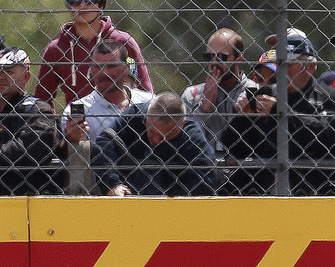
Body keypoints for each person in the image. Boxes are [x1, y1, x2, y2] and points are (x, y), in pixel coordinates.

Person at [222, 28, 335, 195]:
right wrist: (244, 117)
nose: (282, 70)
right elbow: (234, 147)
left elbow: (330, 138)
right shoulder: (266, 95)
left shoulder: (330, 97)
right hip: (263, 192)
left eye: (289, 64)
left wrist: (281, 113)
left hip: (313, 192)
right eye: (279, 63)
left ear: (311, 67)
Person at [61, 39, 153, 194]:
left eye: (111, 66)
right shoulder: (78, 110)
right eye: (98, 66)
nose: (104, 73)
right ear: (91, 69)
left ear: (125, 68)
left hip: (148, 184)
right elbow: (65, 156)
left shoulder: (149, 103)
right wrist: (70, 139)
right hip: (98, 190)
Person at [93, 92, 216, 196]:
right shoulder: (135, 115)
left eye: (165, 136)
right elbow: (104, 144)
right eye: (152, 131)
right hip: (130, 193)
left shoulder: (191, 134)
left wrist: (179, 200)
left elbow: (206, 174)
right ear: (146, 117)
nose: (156, 141)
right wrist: (113, 184)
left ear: (182, 125)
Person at [35, 0, 152, 108]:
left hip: (122, 119)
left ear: (101, 5)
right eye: (75, 0)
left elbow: (145, 91)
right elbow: (42, 100)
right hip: (78, 122)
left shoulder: (123, 41)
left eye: (90, 0)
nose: (82, 5)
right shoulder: (56, 49)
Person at [181, 28, 258, 154]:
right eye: (209, 56)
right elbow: (185, 142)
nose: (214, 62)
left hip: (246, 170)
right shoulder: (192, 95)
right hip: (205, 171)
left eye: (221, 57)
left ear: (239, 58)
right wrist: (204, 108)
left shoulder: (255, 91)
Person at [0, 46, 60, 195]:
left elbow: (29, 151)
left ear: (26, 77)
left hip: (27, 194)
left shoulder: (38, 110)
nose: (1, 76)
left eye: (8, 71)